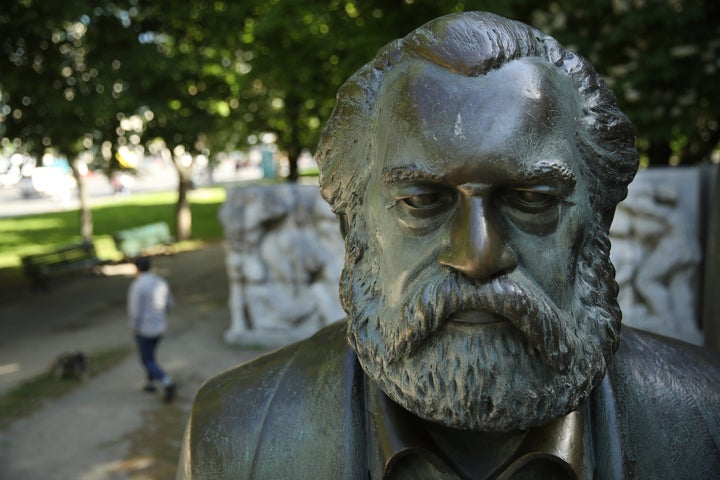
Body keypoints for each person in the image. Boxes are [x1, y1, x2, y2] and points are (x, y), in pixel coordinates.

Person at [177, 12, 720, 479]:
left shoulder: (707, 419)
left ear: (597, 218)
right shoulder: (232, 431)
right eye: (421, 202)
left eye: (531, 198)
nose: (478, 256)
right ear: (355, 225)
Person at [127, 256, 176, 403]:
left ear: (136, 269)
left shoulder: (138, 285)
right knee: (150, 355)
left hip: (145, 328)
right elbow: (170, 304)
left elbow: (135, 311)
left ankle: (166, 381)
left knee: (146, 358)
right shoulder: (160, 281)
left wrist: (134, 327)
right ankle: (150, 383)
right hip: (160, 326)